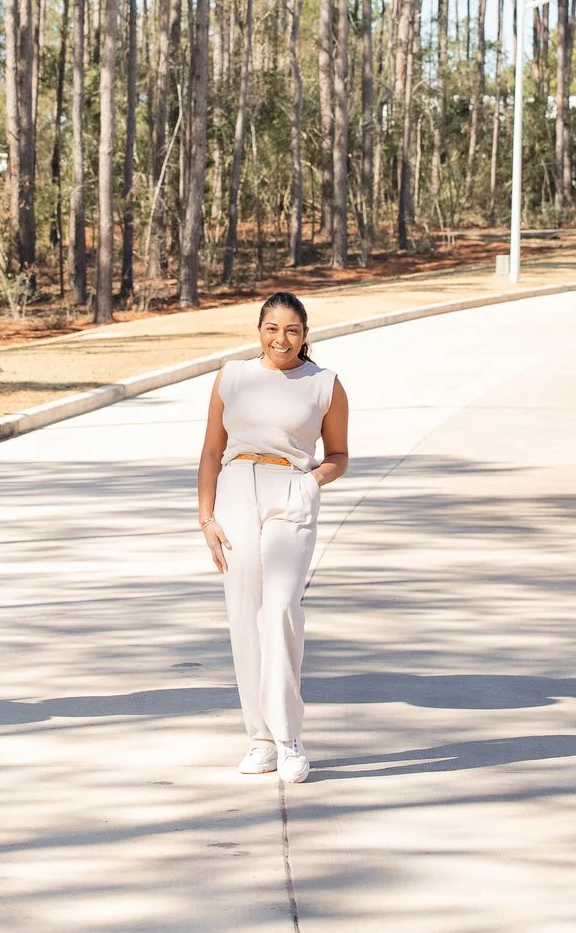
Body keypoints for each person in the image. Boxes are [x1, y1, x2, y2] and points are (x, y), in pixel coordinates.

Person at [198, 292, 349, 786]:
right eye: (271, 328)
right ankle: (260, 739)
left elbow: (339, 454)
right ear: (258, 330)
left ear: (305, 334)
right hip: (236, 488)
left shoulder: (324, 385)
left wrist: (310, 483)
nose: (280, 339)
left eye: (291, 330)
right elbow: (211, 450)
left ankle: (289, 738)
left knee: (280, 607)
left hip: (292, 491)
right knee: (244, 613)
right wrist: (206, 518)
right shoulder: (232, 376)